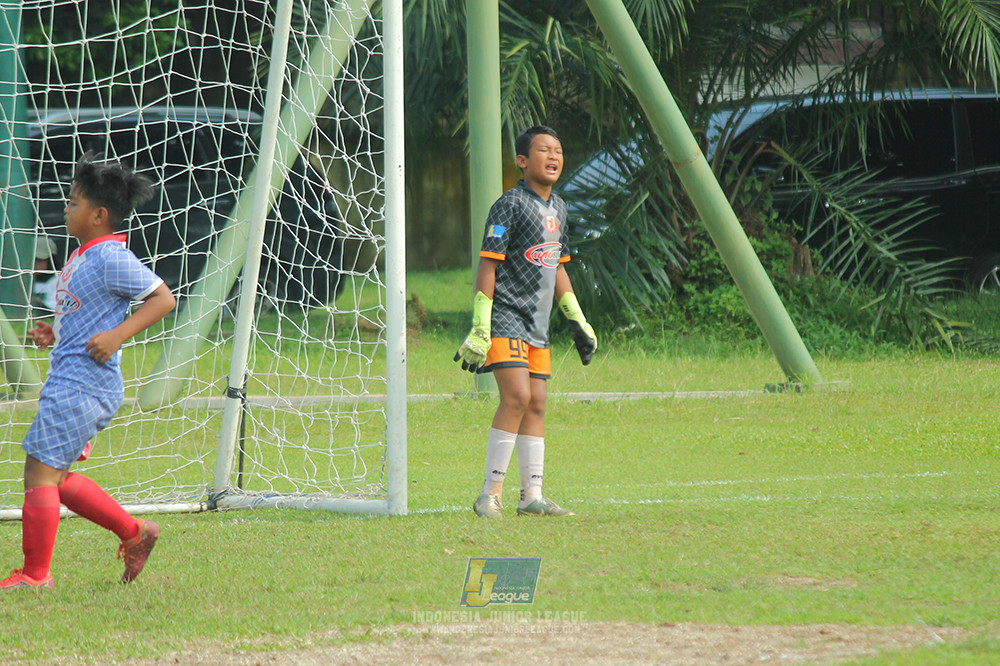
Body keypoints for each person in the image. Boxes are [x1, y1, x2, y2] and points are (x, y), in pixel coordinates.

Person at [2, 153, 176, 590]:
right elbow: (85, 317)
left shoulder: (110, 257)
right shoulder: (82, 256)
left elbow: (163, 298)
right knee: (55, 477)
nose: (66, 208)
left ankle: (35, 576)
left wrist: (118, 335)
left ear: (98, 215)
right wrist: (54, 333)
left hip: (83, 383)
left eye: (74, 202)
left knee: (39, 475)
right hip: (74, 378)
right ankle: (134, 532)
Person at [455, 125, 597, 519]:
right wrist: (481, 327)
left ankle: (531, 497)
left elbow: (558, 266)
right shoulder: (510, 205)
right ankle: (489, 494)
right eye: (543, 150)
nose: (553, 157)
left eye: (559, 150)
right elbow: (488, 263)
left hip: (538, 325)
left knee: (536, 404)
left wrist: (578, 320)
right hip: (505, 317)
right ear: (522, 161)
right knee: (516, 397)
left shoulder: (560, 209)